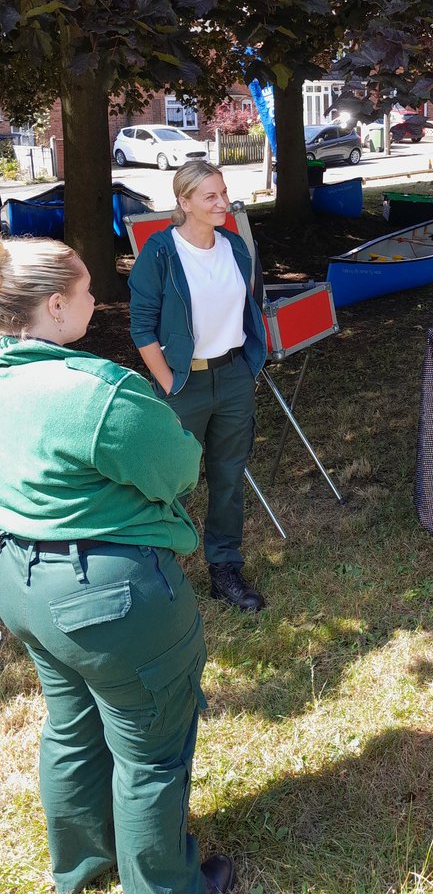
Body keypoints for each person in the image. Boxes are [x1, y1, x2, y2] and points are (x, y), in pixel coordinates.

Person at [0, 237, 237, 894]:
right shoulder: (94, 391)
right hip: (111, 599)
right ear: (54, 305)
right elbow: (177, 468)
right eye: (84, 291)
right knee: (151, 751)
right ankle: (164, 886)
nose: (96, 300)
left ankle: (79, 866)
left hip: (21, 585)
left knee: (71, 725)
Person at [128, 160, 267, 612]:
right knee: (174, 481)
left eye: (223, 192)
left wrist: (247, 365)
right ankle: (157, 570)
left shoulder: (233, 245)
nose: (223, 202)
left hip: (233, 377)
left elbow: (249, 304)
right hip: (183, 381)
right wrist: (167, 382)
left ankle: (224, 569)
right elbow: (142, 327)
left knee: (228, 479)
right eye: (211, 196)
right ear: (183, 202)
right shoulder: (161, 252)